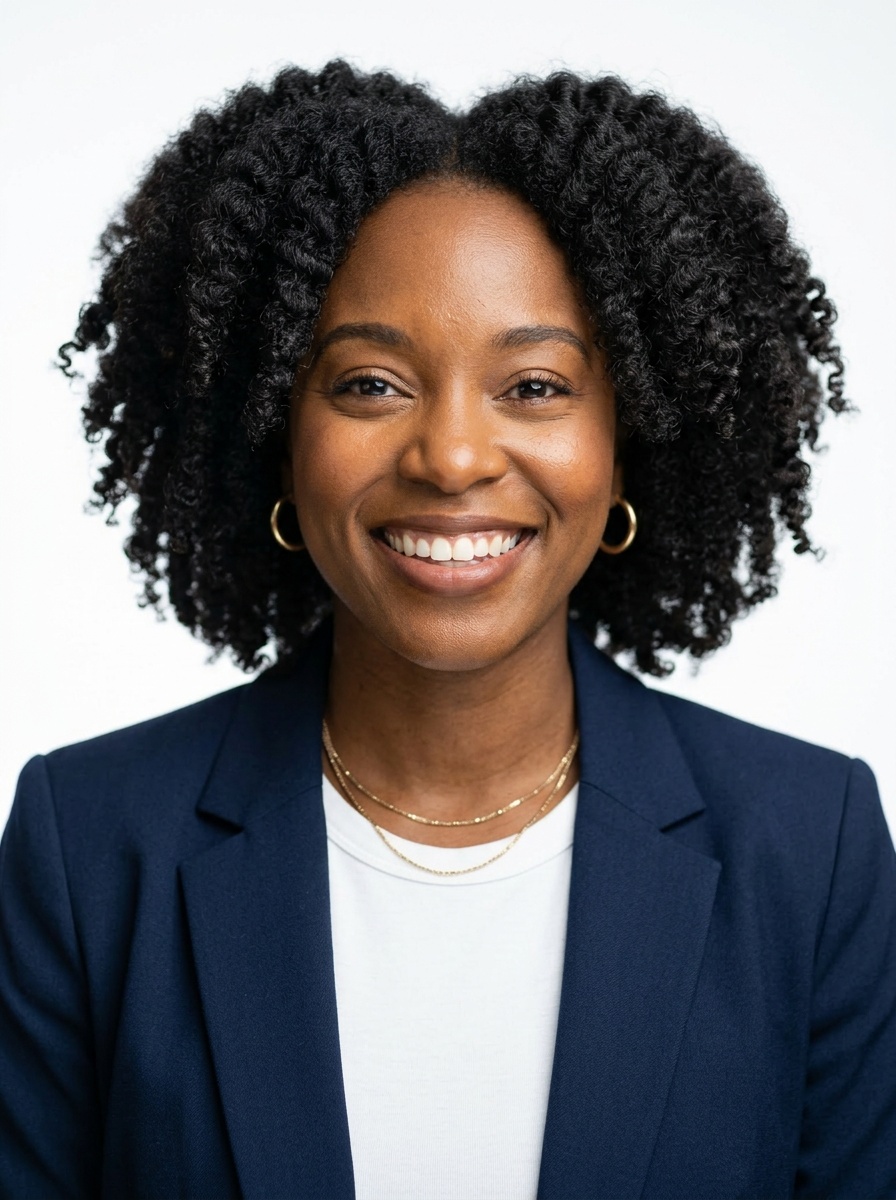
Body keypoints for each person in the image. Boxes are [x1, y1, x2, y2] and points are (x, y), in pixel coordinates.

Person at [0, 60, 893, 1200]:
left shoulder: (806, 852)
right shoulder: (89, 848)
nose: (453, 457)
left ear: (625, 439)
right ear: (278, 429)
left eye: (532, 386)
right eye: (371, 384)